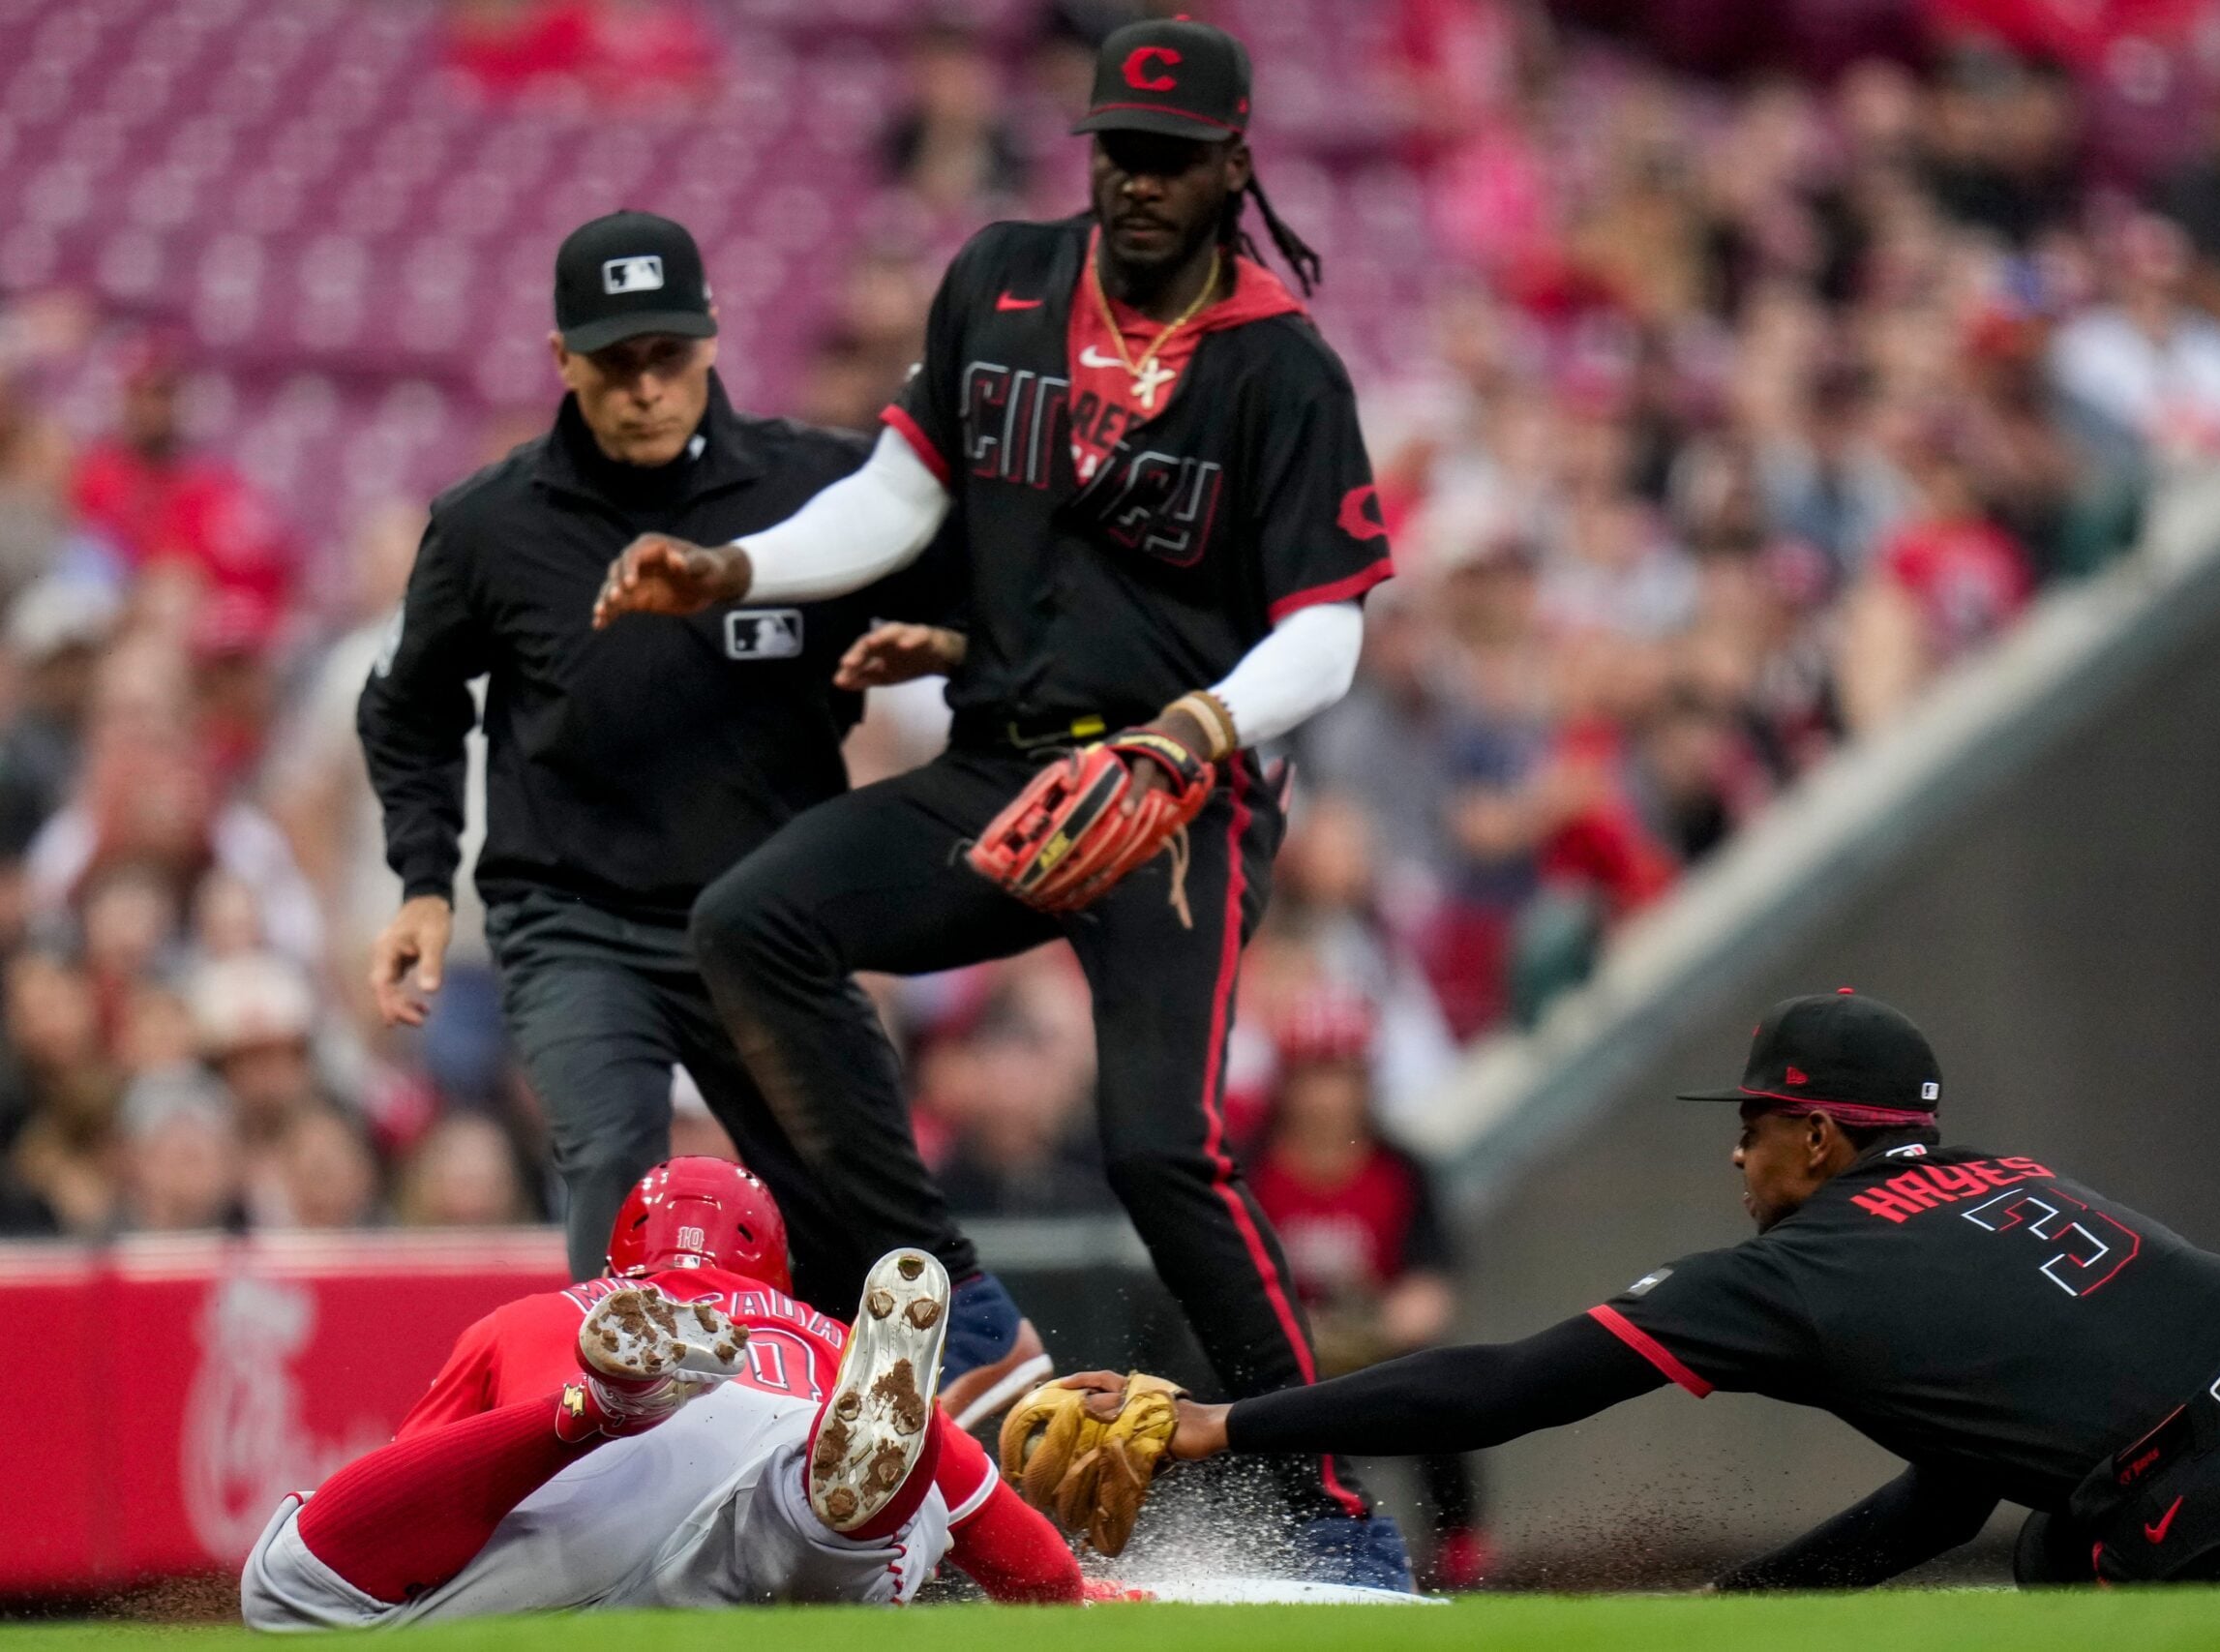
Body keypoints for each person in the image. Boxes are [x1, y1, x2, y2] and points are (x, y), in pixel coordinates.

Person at [592, 18, 1407, 1582]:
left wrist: (1185, 738)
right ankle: (947, 1290)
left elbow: (1327, 624)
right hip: (1005, 758)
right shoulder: (1006, 281)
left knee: (1161, 1151)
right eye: (1118, 149)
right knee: (749, 924)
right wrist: (735, 567)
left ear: (1236, 163)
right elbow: (900, 497)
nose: (1137, 181)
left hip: (1173, 803)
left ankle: (1325, 1499)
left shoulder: (1279, 363)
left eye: (1169, 156)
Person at [1075, 991, 2220, 1587]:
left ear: (1818, 1135)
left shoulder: (1802, 1263)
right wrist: (1757, 1598)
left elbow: (1509, 1382)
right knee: (2062, 1543)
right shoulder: (2006, 1176)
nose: (1737, 1145)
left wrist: (1220, 1425)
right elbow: (1951, 1484)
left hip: (2209, 1487)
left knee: (2069, 1559)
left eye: (1754, 1119)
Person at [357, 211, 951, 1315]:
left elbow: (993, 615)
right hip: (575, 917)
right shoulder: (488, 527)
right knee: (614, 1178)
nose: (643, 387)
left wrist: (950, 646)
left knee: (852, 1219)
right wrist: (425, 881)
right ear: (561, 360)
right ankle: (630, 1453)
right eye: (615, 361)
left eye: (665, 356)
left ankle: (852, 1460)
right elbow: (409, 707)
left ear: (713, 338)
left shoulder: (821, 494)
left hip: (767, 926)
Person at [240, 1156, 1088, 1626]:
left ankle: (592, 1410)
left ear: (620, 1260)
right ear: (773, 1266)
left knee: (291, 1590)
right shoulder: (826, 1335)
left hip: (583, 1495)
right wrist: (1072, 1595)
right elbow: (1016, 1545)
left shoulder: (537, 1313)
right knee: (821, 1521)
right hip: (779, 1451)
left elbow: (413, 1493)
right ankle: (822, 1513)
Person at [1245, 992, 1489, 1588]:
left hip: (1374, 1349)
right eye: (1312, 1078)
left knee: (1446, 1384)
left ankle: (1461, 1547)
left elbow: (1427, 1297)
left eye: (1342, 1077)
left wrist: (1369, 1329)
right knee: (1207, 1385)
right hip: (1283, 1354)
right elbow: (1232, 1292)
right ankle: (1231, 1542)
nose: (1327, 1098)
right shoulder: (1247, 1172)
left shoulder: (1403, 1171)